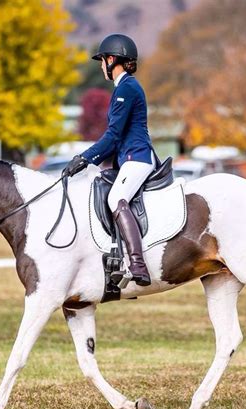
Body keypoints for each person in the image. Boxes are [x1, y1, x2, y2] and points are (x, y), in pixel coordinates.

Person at [64, 34, 157, 286]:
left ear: (112, 59)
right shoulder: (124, 88)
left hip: (136, 157)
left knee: (116, 198)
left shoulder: (126, 88)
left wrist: (84, 158)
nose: (100, 65)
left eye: (102, 60)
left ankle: (137, 264)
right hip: (128, 158)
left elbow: (113, 136)